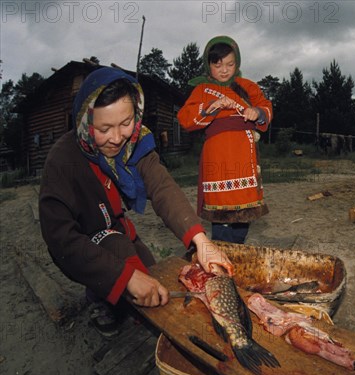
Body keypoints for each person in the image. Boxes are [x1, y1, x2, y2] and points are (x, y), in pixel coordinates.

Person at [39, 67, 233, 337]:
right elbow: (60, 238)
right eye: (104, 128)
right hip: (85, 238)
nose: (117, 138)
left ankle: (115, 291)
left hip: (115, 225)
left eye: (126, 122)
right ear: (85, 122)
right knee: (128, 272)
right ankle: (99, 298)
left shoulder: (135, 142)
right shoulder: (62, 162)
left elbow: (162, 186)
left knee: (150, 273)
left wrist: (201, 241)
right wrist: (126, 278)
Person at [177, 36, 272, 244]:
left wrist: (257, 112)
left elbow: (266, 106)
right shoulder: (201, 90)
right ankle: (221, 248)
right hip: (217, 154)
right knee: (220, 211)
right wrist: (213, 105)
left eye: (230, 64)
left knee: (244, 209)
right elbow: (185, 118)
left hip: (243, 154)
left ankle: (237, 246)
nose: (224, 70)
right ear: (208, 64)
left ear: (237, 63)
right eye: (217, 64)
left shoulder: (247, 86)